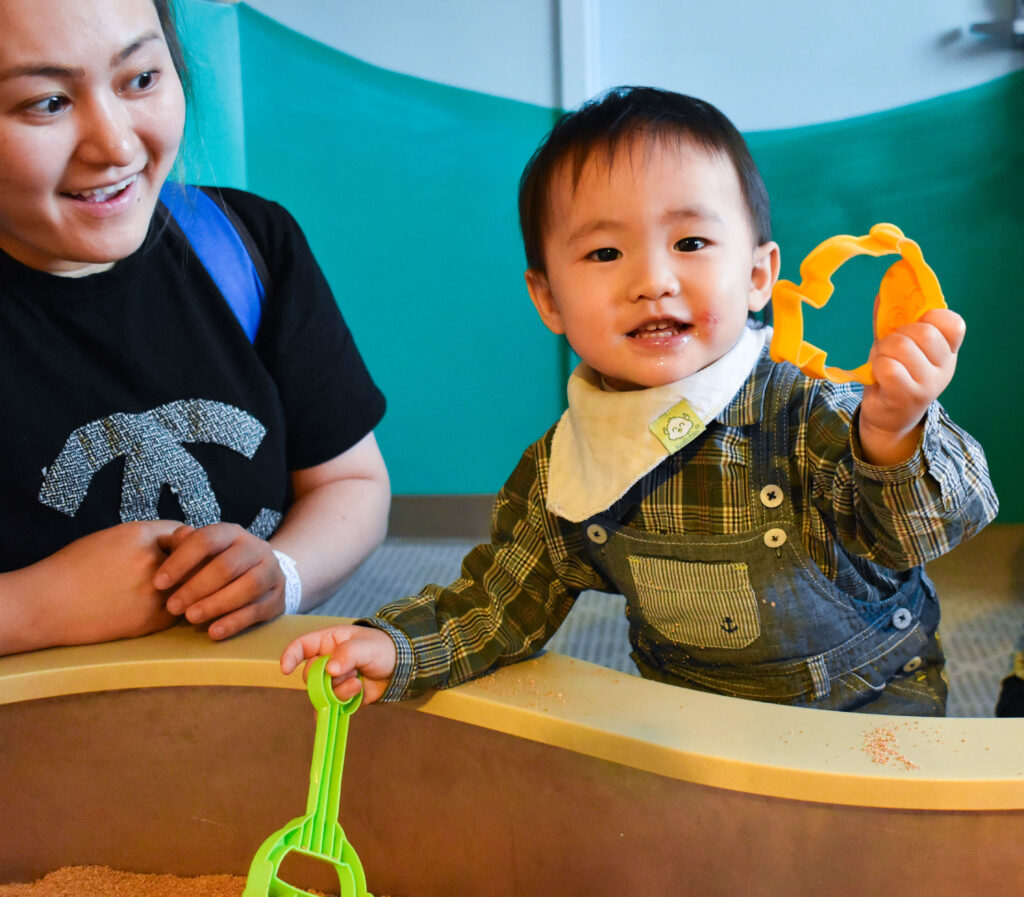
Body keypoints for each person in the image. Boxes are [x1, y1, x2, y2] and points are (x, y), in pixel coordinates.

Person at [281, 86, 997, 715]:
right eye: (604, 254)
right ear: (547, 298)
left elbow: (926, 532)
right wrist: (394, 646)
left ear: (758, 276)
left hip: (870, 710)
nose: (653, 279)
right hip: (690, 719)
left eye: (689, 241)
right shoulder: (568, 468)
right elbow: (499, 604)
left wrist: (896, 430)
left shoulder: (811, 410)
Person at [0, 0, 390, 656]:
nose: (117, 145)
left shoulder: (248, 247)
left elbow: (350, 483)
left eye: (141, 79)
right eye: (47, 103)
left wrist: (282, 575)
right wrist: (37, 606)